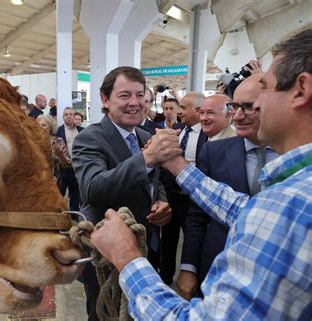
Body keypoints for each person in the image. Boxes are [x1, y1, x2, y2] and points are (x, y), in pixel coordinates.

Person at [90, 29, 312, 320]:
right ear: (105, 100)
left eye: (266, 88)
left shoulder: (291, 202)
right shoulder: (292, 195)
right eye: (124, 95)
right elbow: (244, 209)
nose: (255, 106)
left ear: (301, 90)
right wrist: (176, 165)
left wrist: (126, 257)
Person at [72, 66, 177, 320]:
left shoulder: (144, 134)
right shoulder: (90, 138)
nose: (135, 103)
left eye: (140, 95)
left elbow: (155, 180)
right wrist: (146, 158)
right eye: (125, 95)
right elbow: (94, 189)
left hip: (145, 248)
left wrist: (161, 202)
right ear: (105, 99)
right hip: (106, 258)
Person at [178, 73, 279, 300]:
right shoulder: (214, 152)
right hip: (217, 268)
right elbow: (197, 215)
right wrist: (188, 267)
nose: (239, 116)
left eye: (249, 107)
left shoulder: (296, 157)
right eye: (235, 107)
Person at [158, 92, 207, 285]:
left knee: (192, 240)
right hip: (172, 196)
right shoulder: (177, 129)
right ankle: (165, 276)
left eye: (183, 108)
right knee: (168, 240)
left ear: (197, 110)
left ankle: (191, 278)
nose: (179, 112)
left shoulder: (206, 133)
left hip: (193, 199)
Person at [56, 107, 84, 211]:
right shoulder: (58, 131)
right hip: (63, 167)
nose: (68, 116)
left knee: (75, 194)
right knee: (60, 193)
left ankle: (74, 215)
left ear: (74, 116)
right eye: (66, 114)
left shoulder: (81, 131)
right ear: (63, 117)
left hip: (77, 167)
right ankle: (57, 213)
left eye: (70, 114)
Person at [36, 114, 71, 183]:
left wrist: (61, 156)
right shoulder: (32, 140)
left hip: (54, 181)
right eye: (38, 125)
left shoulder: (57, 141)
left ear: (51, 127)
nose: (40, 127)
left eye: (43, 125)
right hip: (35, 181)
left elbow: (68, 166)